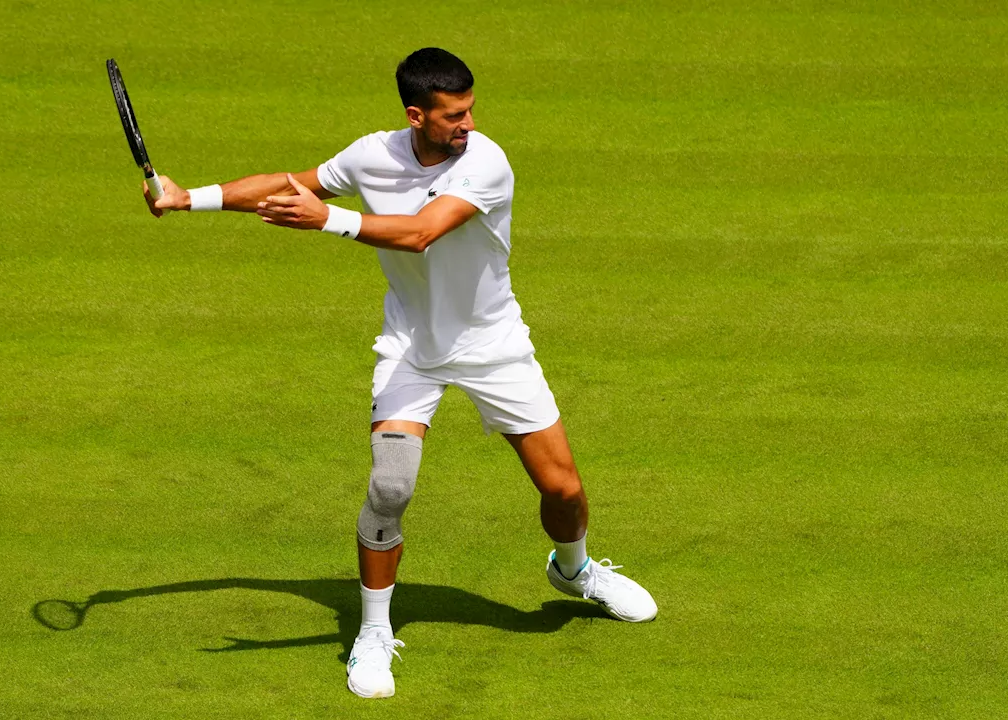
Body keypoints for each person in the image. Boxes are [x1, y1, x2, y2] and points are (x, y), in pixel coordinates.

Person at [144, 47, 657, 699]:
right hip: (412, 346)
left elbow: (420, 233)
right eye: (453, 115)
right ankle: (374, 633)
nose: (468, 124)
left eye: (471, 110)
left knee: (562, 490)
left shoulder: (487, 164)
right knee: (391, 487)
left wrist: (329, 219)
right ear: (417, 115)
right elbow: (292, 184)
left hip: (494, 345)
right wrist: (192, 198)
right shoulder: (371, 155)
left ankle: (574, 569)